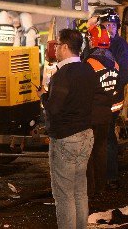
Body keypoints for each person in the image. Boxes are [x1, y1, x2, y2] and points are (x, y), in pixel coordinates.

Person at [38, 28, 97, 229]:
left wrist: (44, 96)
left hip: (66, 138)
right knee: (80, 190)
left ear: (64, 47)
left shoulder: (63, 74)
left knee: (64, 194)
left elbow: (54, 108)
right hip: (86, 135)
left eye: (57, 45)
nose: (54, 49)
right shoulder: (88, 69)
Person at [97, 9, 128, 189]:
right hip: (98, 100)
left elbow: (125, 71)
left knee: (108, 136)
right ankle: (101, 175)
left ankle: (111, 177)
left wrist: (114, 88)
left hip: (111, 100)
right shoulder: (97, 44)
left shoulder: (120, 46)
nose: (109, 28)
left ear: (117, 27)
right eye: (106, 25)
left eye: (112, 25)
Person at [83, 25, 119, 197]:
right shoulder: (115, 63)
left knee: (89, 153)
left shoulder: (90, 63)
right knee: (101, 150)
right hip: (106, 114)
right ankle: (101, 188)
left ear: (93, 41)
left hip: (91, 115)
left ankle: (90, 190)